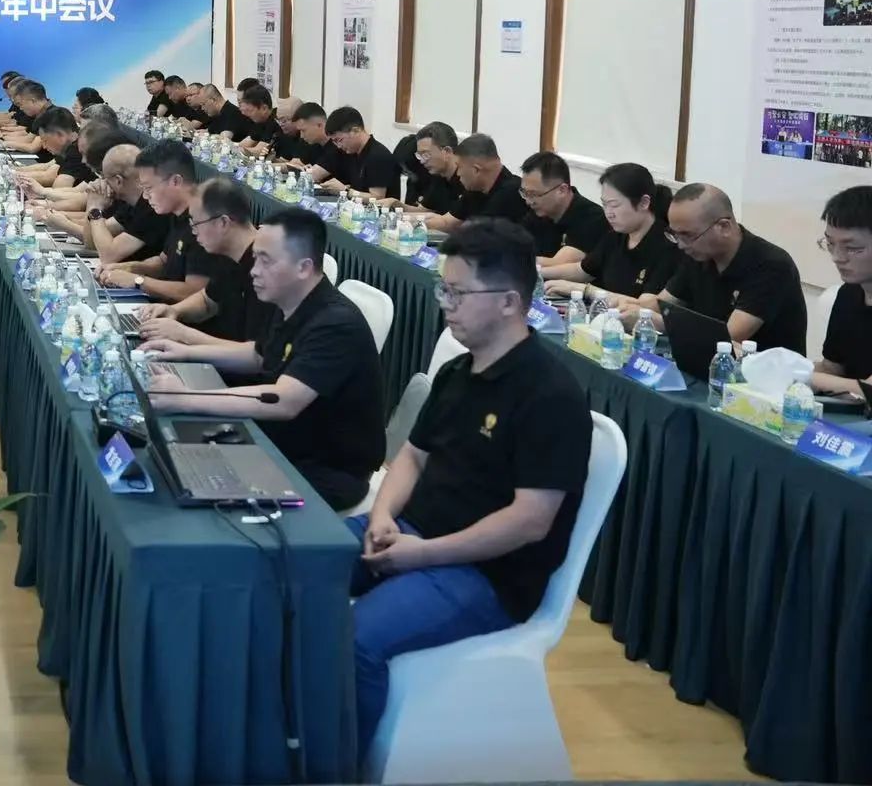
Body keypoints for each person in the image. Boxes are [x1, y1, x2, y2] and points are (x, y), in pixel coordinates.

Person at [351, 218, 592, 753]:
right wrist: (383, 516)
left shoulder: (550, 395)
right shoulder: (457, 372)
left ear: (509, 302)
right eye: (444, 290)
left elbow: (529, 521)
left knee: (356, 640)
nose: (447, 305)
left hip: (485, 575)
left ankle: (339, 767)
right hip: (410, 533)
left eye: (458, 293)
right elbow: (411, 457)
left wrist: (422, 554)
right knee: (294, 566)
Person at [145, 207, 385, 510]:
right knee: (171, 460)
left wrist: (186, 398)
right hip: (282, 441)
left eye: (266, 261)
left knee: (188, 490)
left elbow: (284, 401)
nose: (254, 270)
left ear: (303, 267)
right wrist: (185, 350)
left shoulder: (336, 324)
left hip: (325, 471)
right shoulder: (291, 300)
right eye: (255, 258)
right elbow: (259, 355)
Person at [641, 183, 806, 353]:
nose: (681, 245)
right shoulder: (698, 254)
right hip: (702, 357)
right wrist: (629, 307)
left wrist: (658, 321)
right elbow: (661, 303)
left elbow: (726, 338)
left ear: (724, 227)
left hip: (756, 367)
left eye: (687, 235)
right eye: (675, 235)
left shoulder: (772, 265)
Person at [133, 179, 275, 346]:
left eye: (196, 224)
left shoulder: (265, 269)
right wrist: (174, 310)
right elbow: (207, 301)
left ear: (223, 222)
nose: (193, 232)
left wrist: (183, 334)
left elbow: (257, 355)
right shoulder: (230, 255)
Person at [99, 141, 226, 303]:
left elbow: (194, 293)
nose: (145, 196)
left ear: (176, 181)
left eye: (148, 188)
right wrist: (129, 268)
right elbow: (163, 261)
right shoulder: (176, 211)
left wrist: (138, 281)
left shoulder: (206, 221)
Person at [545, 162, 679, 310]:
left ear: (644, 203)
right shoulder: (616, 236)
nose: (609, 213)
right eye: (605, 205)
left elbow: (644, 306)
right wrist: (538, 271)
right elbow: (582, 270)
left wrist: (585, 290)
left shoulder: (666, 246)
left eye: (614, 205)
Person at [814, 185, 872, 394]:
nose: (837, 257)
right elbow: (832, 369)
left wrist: (802, 375)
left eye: (853, 248)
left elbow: (869, 389)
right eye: (830, 244)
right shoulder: (849, 294)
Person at [519, 150, 609, 271]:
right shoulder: (537, 213)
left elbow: (559, 264)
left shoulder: (593, 218)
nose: (528, 201)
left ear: (562, 190)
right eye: (525, 193)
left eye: (534, 194)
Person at [428, 133, 529, 231]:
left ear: (476, 170)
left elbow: (478, 235)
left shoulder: (511, 193)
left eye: (459, 167)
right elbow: (446, 222)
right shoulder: (476, 188)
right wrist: (419, 223)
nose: (458, 174)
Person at [307, 106, 401, 198]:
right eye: (334, 142)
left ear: (355, 130)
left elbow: (377, 197)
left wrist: (345, 190)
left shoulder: (378, 156)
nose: (338, 146)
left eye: (339, 140)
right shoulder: (353, 153)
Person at [15, 107, 88, 189]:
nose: (44, 146)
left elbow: (57, 187)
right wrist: (15, 171)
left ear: (60, 135)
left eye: (45, 141)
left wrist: (14, 176)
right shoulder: (69, 145)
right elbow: (47, 166)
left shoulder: (78, 149)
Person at [407, 122, 464, 215]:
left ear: (447, 151)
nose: (422, 161)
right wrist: (396, 205)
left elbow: (452, 221)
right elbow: (425, 210)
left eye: (426, 154)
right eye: (419, 155)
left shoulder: (466, 180)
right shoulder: (439, 175)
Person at [271, 101, 326, 166]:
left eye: (284, 120)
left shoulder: (332, 147)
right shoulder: (307, 141)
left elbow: (294, 165)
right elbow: (294, 164)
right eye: (279, 120)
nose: (302, 136)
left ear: (319, 125)